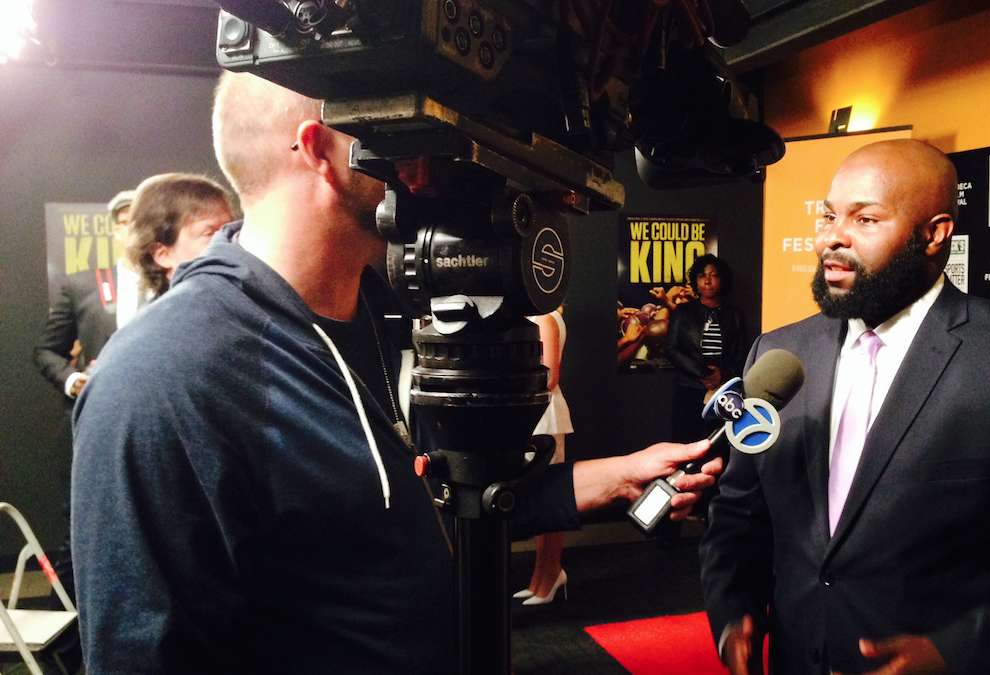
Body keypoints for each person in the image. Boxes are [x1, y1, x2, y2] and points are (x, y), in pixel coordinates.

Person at [71, 71, 721, 674]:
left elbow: (425, 504)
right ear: (320, 149)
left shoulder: (380, 312)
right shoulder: (162, 376)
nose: (424, 165)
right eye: (400, 132)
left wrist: (609, 479)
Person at [700, 140, 990, 675]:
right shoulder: (778, 354)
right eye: (829, 215)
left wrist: (955, 655)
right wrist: (733, 611)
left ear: (934, 234)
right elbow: (739, 515)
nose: (832, 237)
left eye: (865, 219)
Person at [33, 190, 133, 402]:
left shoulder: (176, 283)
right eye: (126, 222)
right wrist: (73, 380)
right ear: (116, 231)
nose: (134, 229)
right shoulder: (82, 285)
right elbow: (46, 350)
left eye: (141, 221)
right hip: (102, 408)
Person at [515, 307, 574, 605]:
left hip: (545, 414)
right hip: (534, 413)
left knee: (550, 496)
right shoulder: (536, 317)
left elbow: (549, 376)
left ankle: (550, 576)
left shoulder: (546, 318)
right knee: (541, 498)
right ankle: (541, 578)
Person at [665, 254, 747, 443]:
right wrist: (701, 373)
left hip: (724, 390)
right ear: (695, 280)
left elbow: (742, 354)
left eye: (713, 275)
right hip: (689, 387)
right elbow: (671, 349)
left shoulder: (735, 315)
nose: (707, 280)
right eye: (702, 275)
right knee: (685, 442)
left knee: (718, 443)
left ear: (722, 280)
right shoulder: (682, 312)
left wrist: (723, 375)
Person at [124, 172, 234, 302]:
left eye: (230, 230)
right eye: (210, 234)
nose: (229, 242)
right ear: (162, 254)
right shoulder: (161, 321)